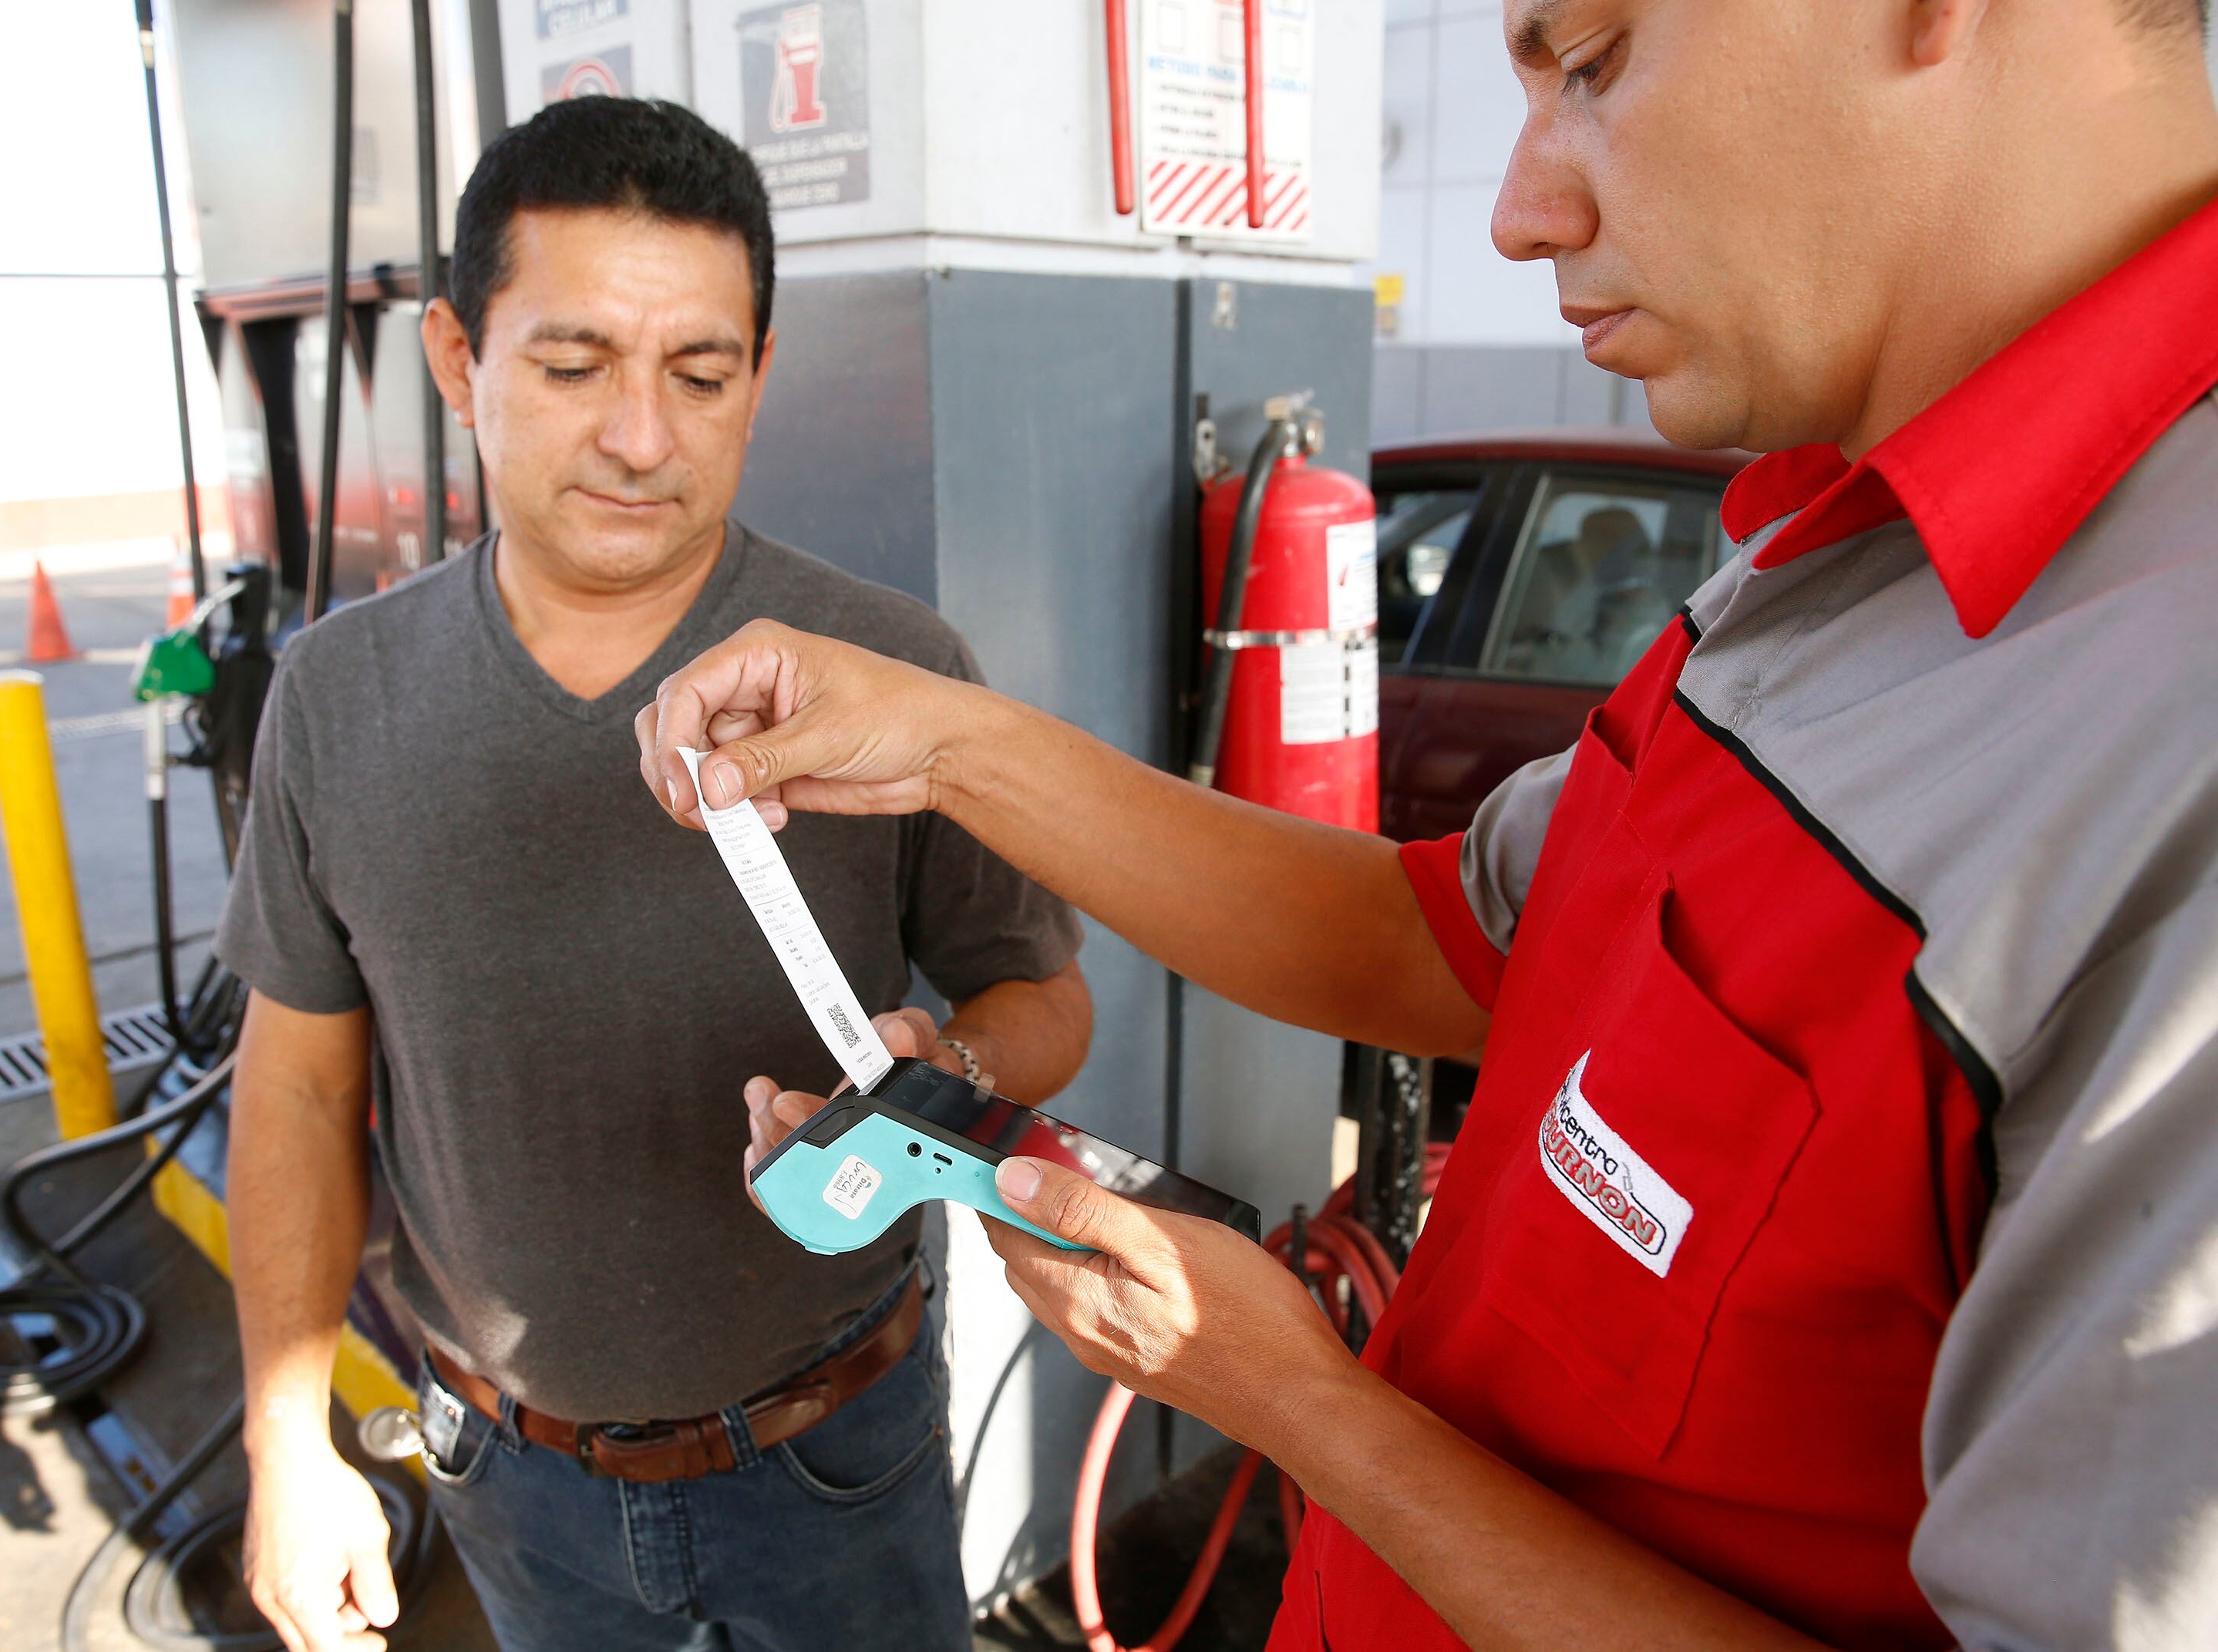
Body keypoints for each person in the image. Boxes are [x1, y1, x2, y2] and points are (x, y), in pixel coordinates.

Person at [638, 0, 2218, 1646]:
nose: (1519, 209)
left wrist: (1295, 1402)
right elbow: (1435, 936)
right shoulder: (1830, 548)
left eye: (1593, 63)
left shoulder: (2168, 749)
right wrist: (949, 744)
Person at [221, 96, 1090, 1652]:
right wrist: (287, 1438)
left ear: (760, 377)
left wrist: (943, 1072)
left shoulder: (892, 668)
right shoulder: (337, 697)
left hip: (841, 1443)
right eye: (572, 366)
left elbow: (1043, 997)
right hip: (505, 1468)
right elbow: (290, 1088)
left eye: (699, 373)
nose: (639, 435)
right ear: (453, 359)